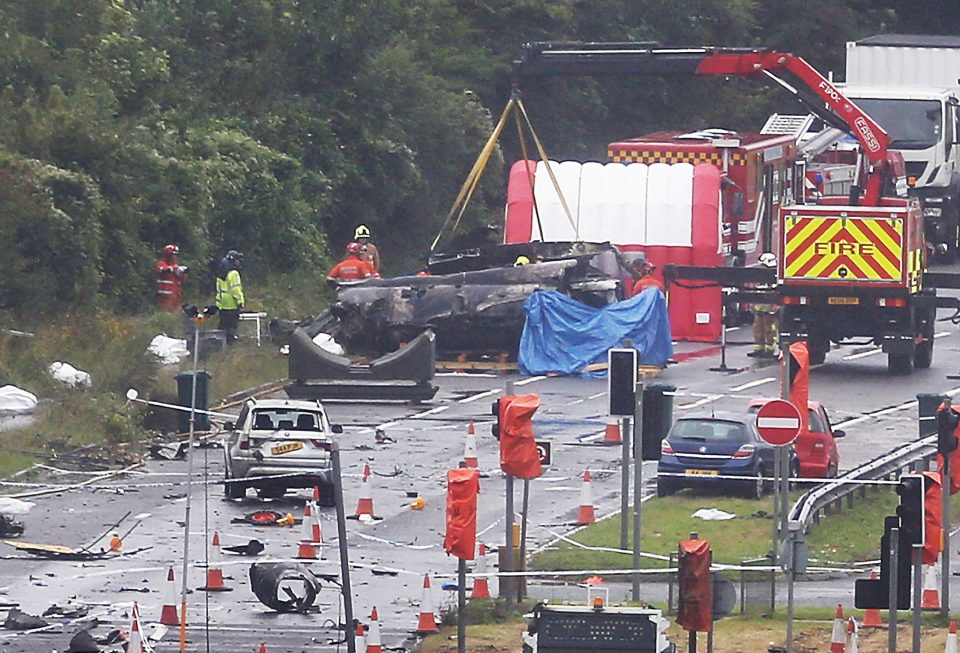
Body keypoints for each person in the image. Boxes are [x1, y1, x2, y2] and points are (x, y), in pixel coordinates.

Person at [749, 252, 779, 358]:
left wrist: (776, 305)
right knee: (758, 328)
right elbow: (757, 289)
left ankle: (770, 350)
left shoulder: (774, 274)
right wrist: (753, 303)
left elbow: (777, 292)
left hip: (770, 307)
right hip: (760, 306)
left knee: (769, 329)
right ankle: (759, 349)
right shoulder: (762, 274)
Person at [216, 250, 245, 343]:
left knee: (222, 329)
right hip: (232, 305)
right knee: (231, 330)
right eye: (237, 260)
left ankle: (220, 346)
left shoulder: (221, 273)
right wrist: (240, 302)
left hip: (223, 305)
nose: (239, 262)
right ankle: (230, 346)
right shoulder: (234, 273)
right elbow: (235, 290)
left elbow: (219, 290)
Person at [155, 244, 188, 312]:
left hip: (175, 296)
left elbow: (182, 280)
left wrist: (183, 273)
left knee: (174, 314)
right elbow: (163, 270)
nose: (175, 257)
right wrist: (174, 268)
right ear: (168, 255)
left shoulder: (176, 266)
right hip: (165, 296)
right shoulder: (161, 264)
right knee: (165, 313)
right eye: (174, 254)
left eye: (176, 255)